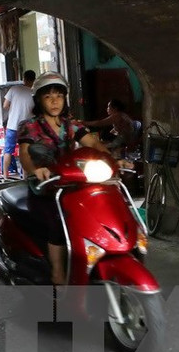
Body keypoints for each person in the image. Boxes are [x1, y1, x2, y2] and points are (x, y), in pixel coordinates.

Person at [16, 72, 129, 285]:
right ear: (39, 100)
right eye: (48, 96)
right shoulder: (29, 125)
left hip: (72, 183)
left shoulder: (71, 124)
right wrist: (34, 171)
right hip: (44, 187)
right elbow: (24, 154)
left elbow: (93, 144)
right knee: (58, 222)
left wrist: (113, 161)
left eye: (59, 96)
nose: (54, 101)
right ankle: (58, 273)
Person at [1, 69, 36, 177]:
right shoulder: (34, 94)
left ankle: (5, 176)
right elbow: (35, 112)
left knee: (8, 151)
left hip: (12, 126)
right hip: (26, 128)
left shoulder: (14, 89)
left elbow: (5, 105)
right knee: (24, 152)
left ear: (24, 79)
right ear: (33, 80)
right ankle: (24, 178)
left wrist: (15, 109)